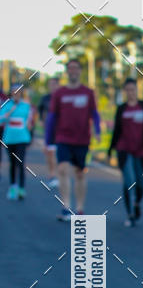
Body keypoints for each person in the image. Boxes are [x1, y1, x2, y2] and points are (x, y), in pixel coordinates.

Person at [46, 58, 100, 220]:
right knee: (62, 169)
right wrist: (49, 138)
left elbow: (94, 114)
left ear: (80, 71)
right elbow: (52, 116)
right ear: (67, 71)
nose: (73, 71)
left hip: (82, 139)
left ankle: (80, 208)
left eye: (76, 68)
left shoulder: (87, 92)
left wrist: (97, 131)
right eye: (70, 68)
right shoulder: (59, 93)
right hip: (63, 137)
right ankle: (66, 206)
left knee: (79, 174)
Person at [109, 78, 143, 226]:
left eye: (133, 89)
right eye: (127, 90)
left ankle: (136, 204)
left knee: (141, 184)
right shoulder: (121, 108)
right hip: (124, 149)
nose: (130, 93)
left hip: (140, 150)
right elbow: (116, 130)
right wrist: (110, 149)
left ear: (137, 90)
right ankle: (130, 214)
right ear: (125, 91)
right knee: (129, 181)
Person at [1, 84, 35, 200]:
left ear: (21, 93)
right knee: (12, 164)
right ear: (11, 93)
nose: (16, 94)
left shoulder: (26, 106)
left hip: (22, 139)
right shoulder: (6, 105)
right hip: (9, 139)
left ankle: (21, 188)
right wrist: (9, 113)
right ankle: (13, 187)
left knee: (20, 163)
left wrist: (30, 127)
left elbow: (29, 121)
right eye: (14, 92)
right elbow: (1, 120)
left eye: (18, 92)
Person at [38, 76, 60, 188]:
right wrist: (42, 121)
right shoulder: (45, 98)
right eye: (50, 84)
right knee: (49, 154)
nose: (52, 86)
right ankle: (52, 176)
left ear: (58, 85)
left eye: (54, 84)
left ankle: (59, 176)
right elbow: (40, 111)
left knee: (59, 154)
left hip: (61, 130)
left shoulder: (62, 97)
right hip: (49, 131)